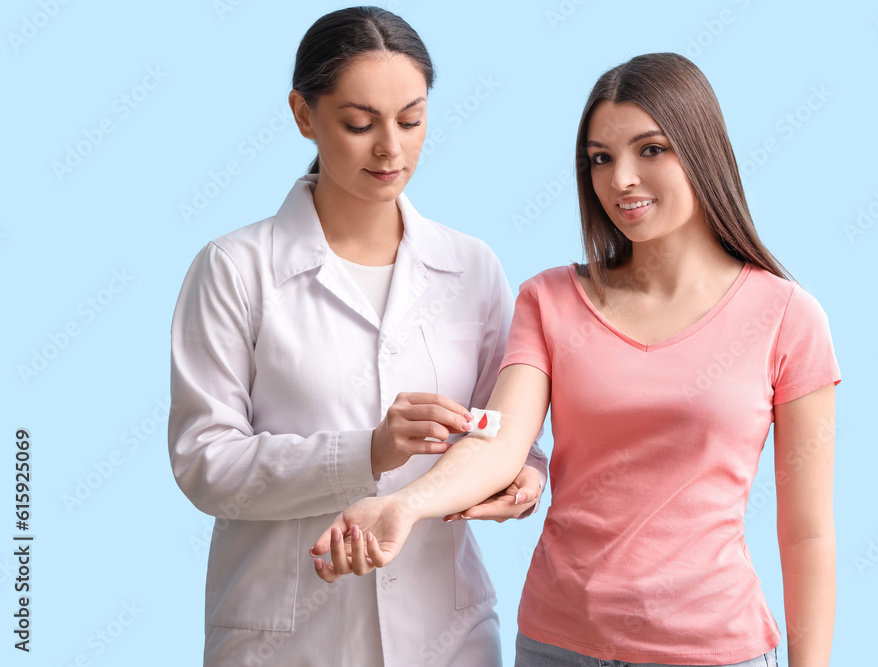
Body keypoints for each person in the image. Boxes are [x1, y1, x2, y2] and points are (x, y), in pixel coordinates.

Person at [311, 52, 840, 667]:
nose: (621, 180)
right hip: (556, 645)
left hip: (710, 649)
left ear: (702, 151)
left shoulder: (787, 318)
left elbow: (807, 533)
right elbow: (500, 442)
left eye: (651, 150)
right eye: (601, 158)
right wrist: (404, 505)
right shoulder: (551, 300)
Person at [168, 7, 547, 666]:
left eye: (411, 119)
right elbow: (205, 462)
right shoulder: (234, 268)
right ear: (303, 114)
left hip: (447, 634)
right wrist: (366, 452)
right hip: (288, 638)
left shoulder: (472, 266)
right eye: (359, 123)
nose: (390, 149)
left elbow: (499, 426)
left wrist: (526, 475)